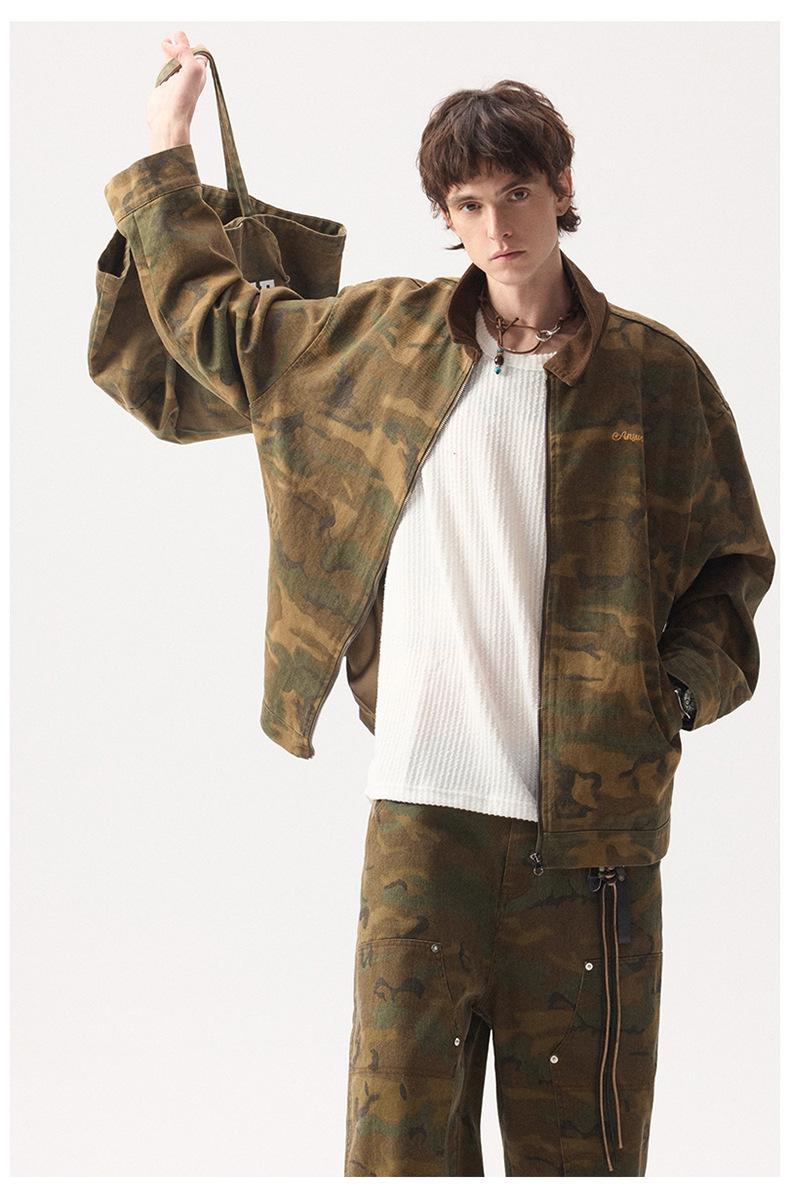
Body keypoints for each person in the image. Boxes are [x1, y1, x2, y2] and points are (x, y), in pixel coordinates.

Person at [98, 30, 775, 1177]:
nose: (496, 224)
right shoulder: (383, 345)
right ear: (445, 215)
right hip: (422, 820)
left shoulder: (656, 377)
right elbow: (224, 329)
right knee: (397, 1156)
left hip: (593, 837)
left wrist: (666, 698)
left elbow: (731, 567)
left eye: (517, 193)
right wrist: (167, 152)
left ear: (562, 189)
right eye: (468, 202)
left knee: (585, 1159)